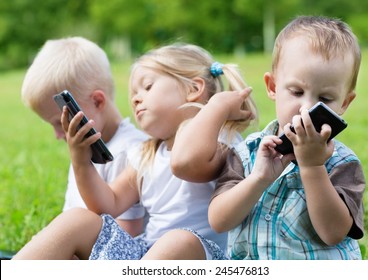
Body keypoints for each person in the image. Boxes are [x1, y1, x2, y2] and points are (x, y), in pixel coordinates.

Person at [13, 43, 258, 260]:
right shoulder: (146, 154)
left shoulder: (222, 141)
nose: (136, 99)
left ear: (194, 88)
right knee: (78, 219)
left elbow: (185, 161)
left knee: (178, 241)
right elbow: (106, 206)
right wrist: (81, 161)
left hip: (200, 258)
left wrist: (217, 107)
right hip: (145, 258)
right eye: (133, 95)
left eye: (147, 87)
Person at [171, 15, 366, 259]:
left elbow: (333, 232)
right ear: (273, 87)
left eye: (324, 99)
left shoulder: (342, 162)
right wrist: (259, 178)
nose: (306, 107)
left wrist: (313, 166)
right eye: (296, 92)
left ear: (344, 103)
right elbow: (219, 221)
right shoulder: (247, 153)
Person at [20, 37, 148, 236]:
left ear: (97, 102)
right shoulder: (84, 151)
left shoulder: (128, 153)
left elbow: (128, 235)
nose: (57, 134)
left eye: (59, 122)